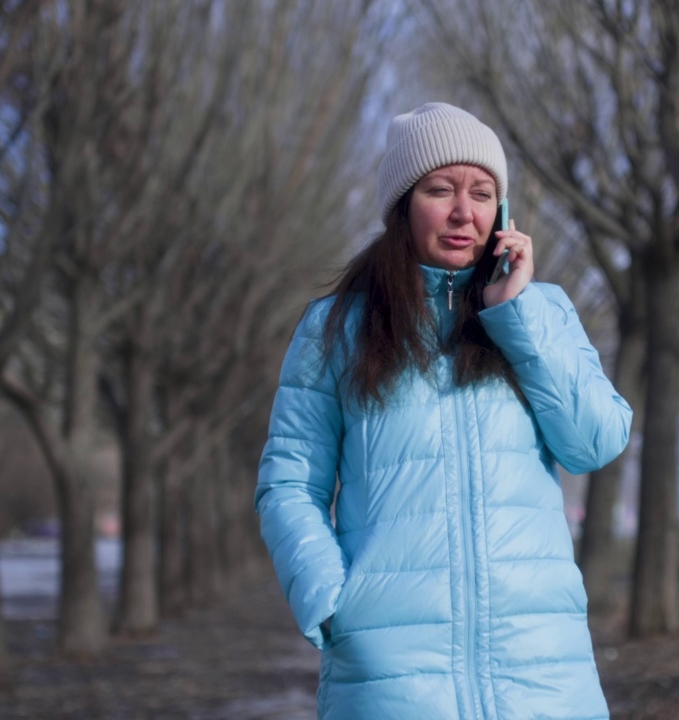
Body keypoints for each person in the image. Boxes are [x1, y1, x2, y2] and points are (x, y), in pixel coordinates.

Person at [254, 102, 632, 720]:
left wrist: (514, 315)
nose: (465, 212)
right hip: (391, 679)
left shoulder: (543, 312)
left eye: (483, 192)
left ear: (502, 211)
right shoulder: (336, 328)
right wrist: (330, 599)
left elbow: (595, 443)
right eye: (440, 189)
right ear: (403, 205)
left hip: (543, 677)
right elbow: (289, 482)